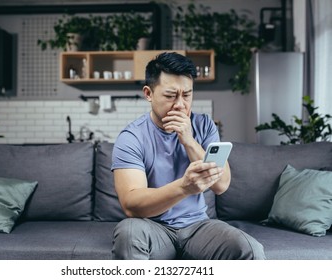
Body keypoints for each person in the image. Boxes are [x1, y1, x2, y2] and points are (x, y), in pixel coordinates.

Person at [111, 52, 265, 260]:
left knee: (249, 249)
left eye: (187, 95)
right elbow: (131, 205)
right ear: (148, 94)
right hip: (152, 228)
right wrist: (184, 187)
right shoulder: (132, 137)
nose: (180, 105)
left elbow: (221, 185)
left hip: (198, 227)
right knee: (128, 231)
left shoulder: (204, 125)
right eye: (170, 95)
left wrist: (189, 140)